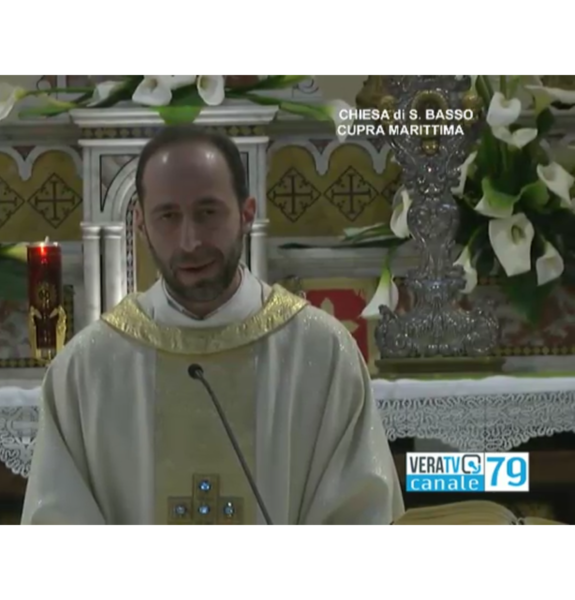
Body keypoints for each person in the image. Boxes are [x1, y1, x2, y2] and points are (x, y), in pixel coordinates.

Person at [22, 125, 405, 525]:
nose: (189, 242)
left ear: (247, 214)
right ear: (140, 223)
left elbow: (359, 513)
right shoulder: (87, 369)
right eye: (168, 216)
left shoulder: (322, 353)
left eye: (208, 213)